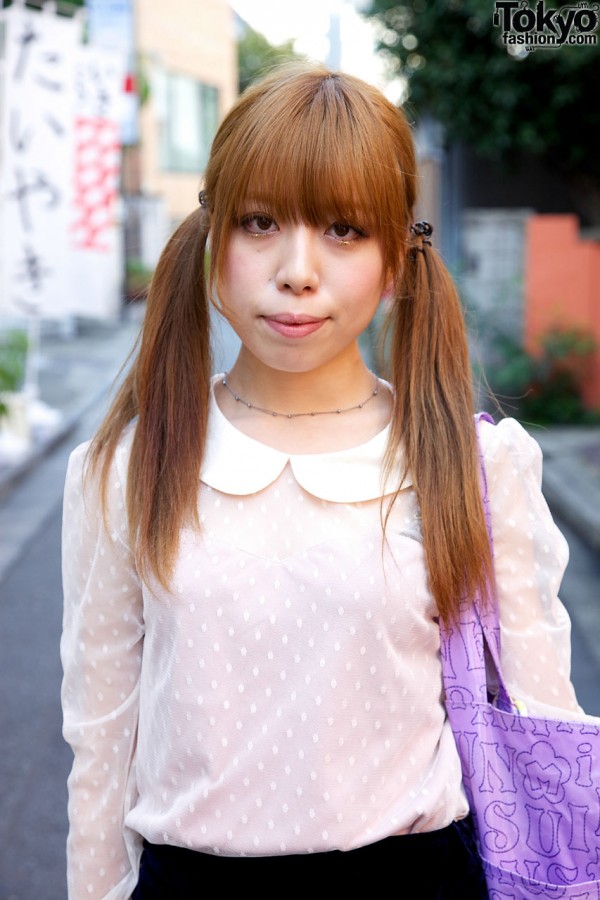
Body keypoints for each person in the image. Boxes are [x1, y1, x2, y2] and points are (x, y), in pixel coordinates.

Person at [61, 64, 585, 900]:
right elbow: (99, 740)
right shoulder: (129, 466)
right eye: (260, 222)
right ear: (211, 238)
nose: (298, 270)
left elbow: (543, 729)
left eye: (343, 229)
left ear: (395, 262)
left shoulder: (473, 466)